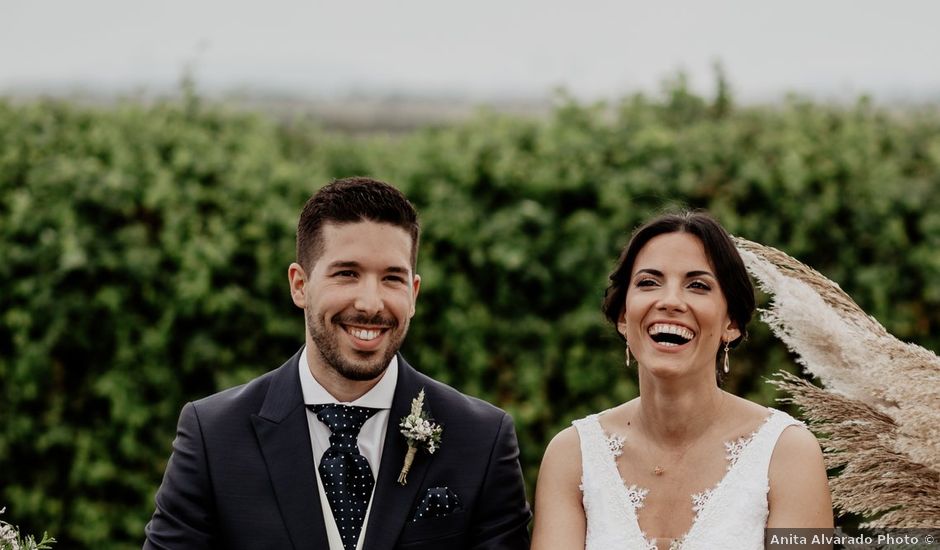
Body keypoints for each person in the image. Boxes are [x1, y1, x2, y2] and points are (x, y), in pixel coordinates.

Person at [144, 177, 531, 550]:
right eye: (347, 274)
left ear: (413, 294)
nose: (370, 303)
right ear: (300, 285)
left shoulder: (483, 439)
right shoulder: (212, 435)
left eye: (391, 278)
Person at [531, 211, 832, 550]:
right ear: (622, 317)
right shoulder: (572, 455)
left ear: (731, 322)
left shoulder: (788, 454)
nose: (670, 301)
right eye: (648, 282)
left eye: (698, 286)